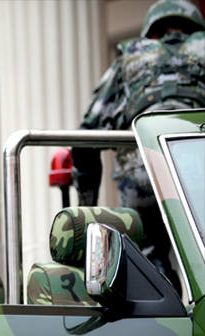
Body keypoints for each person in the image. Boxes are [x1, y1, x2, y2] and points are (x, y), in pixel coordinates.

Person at [73, 0, 205, 283]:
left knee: (149, 259)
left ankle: (163, 319)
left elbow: (86, 135)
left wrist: (87, 213)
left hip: (144, 174)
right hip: (200, 172)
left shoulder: (130, 57)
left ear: (152, 34)